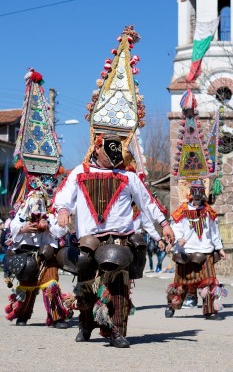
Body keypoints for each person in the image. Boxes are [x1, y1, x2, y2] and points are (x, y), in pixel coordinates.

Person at [54, 135, 175, 347]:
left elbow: (147, 201)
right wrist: (63, 211)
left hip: (119, 239)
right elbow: (63, 197)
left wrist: (164, 224)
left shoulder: (128, 177)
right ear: (97, 149)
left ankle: (118, 331)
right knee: (86, 285)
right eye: (108, 154)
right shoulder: (80, 173)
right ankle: (85, 324)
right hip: (88, 239)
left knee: (119, 287)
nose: (112, 160)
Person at [6, 175, 70, 328]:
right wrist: (24, 228)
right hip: (28, 252)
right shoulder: (26, 204)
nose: (49, 189)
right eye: (46, 186)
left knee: (51, 283)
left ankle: (56, 318)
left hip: (48, 253)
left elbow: (62, 230)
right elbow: (13, 224)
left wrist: (48, 227)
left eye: (52, 186)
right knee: (27, 285)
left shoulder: (54, 209)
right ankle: (22, 315)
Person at [165, 179, 228, 319]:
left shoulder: (209, 212)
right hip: (186, 251)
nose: (198, 196)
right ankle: (172, 306)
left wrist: (220, 249)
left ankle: (210, 310)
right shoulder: (182, 210)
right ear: (191, 193)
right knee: (181, 283)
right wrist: (178, 238)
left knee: (210, 282)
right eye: (195, 192)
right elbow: (175, 227)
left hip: (206, 251)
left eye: (201, 192)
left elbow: (214, 232)